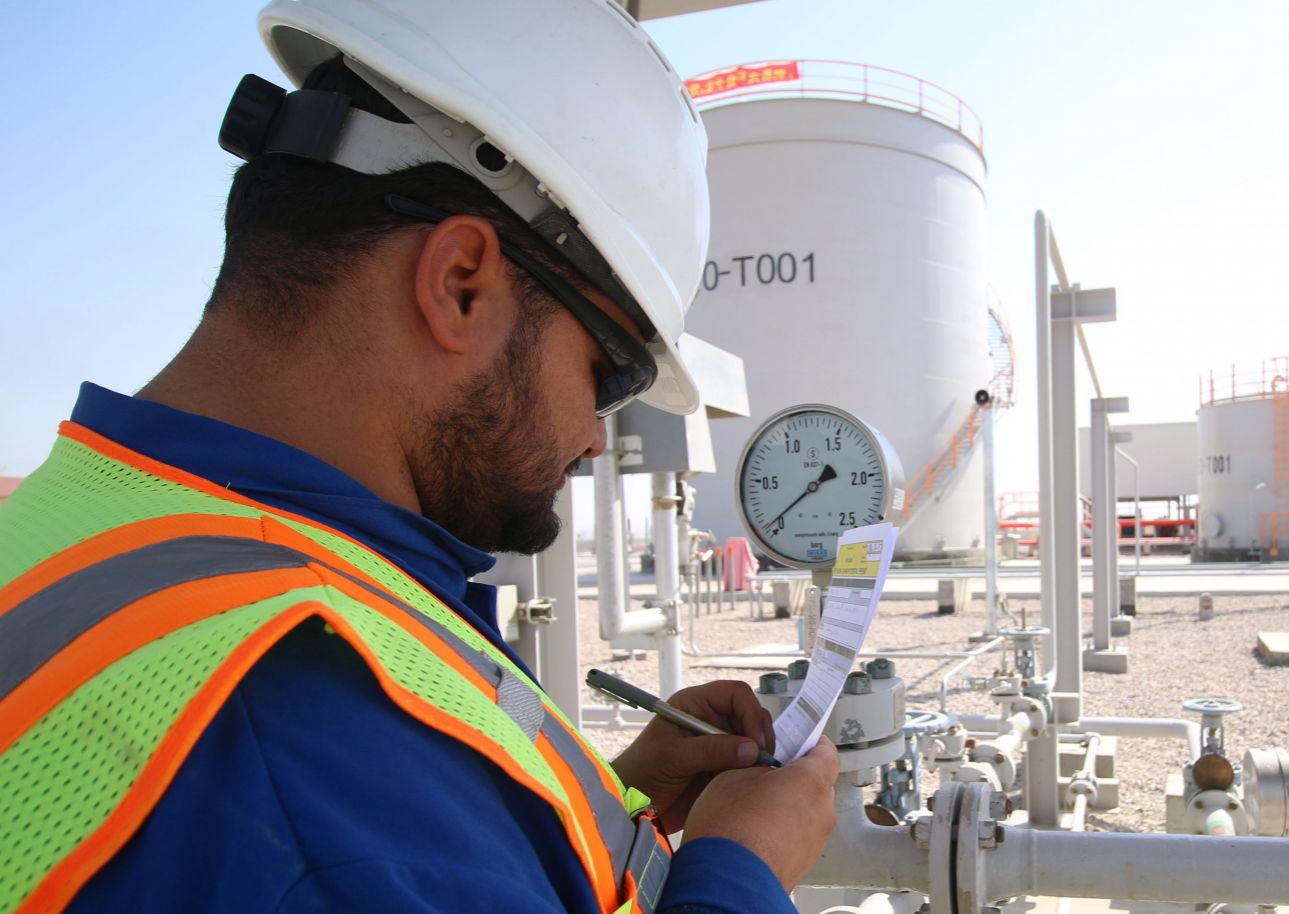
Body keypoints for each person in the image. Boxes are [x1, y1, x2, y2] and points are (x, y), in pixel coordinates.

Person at [0, 1, 841, 912]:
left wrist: (586, 804)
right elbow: (333, 839)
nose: (599, 434)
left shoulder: (89, 521)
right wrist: (740, 871)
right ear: (460, 286)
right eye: (609, 372)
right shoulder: (303, 749)